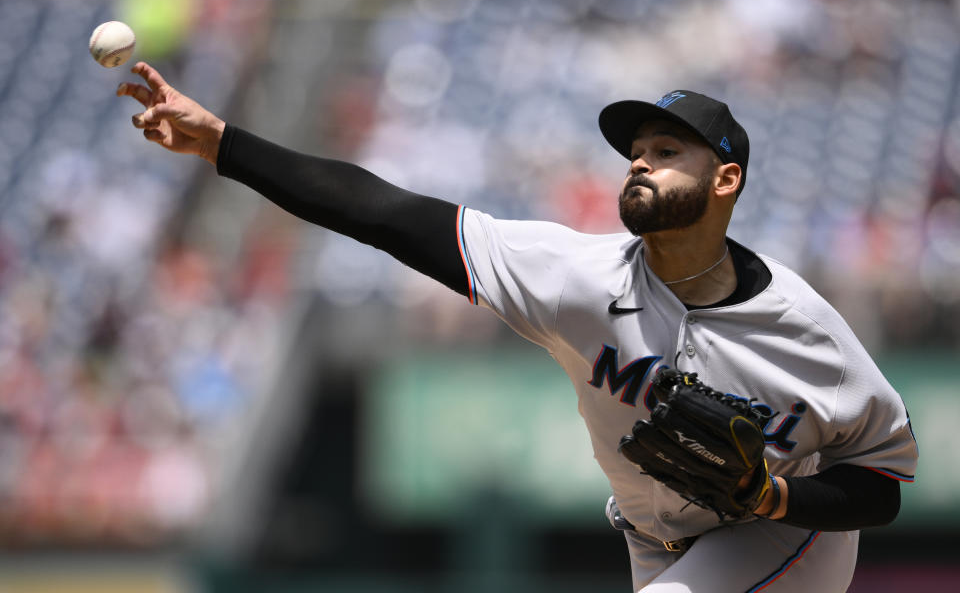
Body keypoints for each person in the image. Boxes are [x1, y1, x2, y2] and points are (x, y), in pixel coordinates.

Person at [118, 63, 918, 592]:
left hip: (783, 536)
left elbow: (881, 488)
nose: (638, 163)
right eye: (634, 151)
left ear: (725, 180)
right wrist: (225, 145)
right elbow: (385, 213)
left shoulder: (805, 330)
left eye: (666, 151)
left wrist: (778, 497)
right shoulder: (575, 276)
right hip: (652, 537)